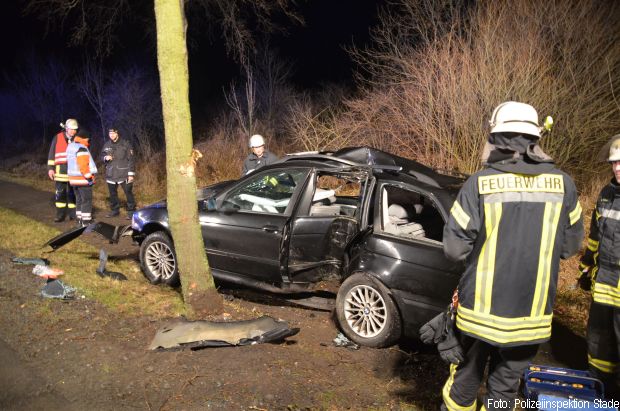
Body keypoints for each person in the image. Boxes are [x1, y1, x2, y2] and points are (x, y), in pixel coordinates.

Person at [440, 101, 584, 410]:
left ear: (495, 138)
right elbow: (570, 248)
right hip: (531, 318)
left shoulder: (478, 185)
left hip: (479, 315)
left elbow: (454, 250)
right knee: (504, 393)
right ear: (535, 139)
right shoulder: (565, 186)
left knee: (463, 387)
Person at [579, 134, 620, 398]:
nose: (617, 168)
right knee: (598, 347)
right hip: (603, 285)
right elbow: (595, 237)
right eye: (615, 163)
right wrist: (586, 268)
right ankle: (599, 395)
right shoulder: (606, 194)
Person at [47, 119, 79, 222]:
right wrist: (50, 169)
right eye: (72, 129)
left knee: (72, 194)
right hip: (60, 171)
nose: (73, 131)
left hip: (73, 171)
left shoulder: (77, 139)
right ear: (66, 128)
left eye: (75, 129)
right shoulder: (57, 137)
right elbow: (51, 154)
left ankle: (73, 214)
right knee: (60, 193)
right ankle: (60, 215)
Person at [102, 127, 136, 219]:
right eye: (110, 134)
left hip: (123, 174)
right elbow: (102, 156)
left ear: (117, 134)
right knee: (112, 194)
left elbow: (131, 159)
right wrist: (105, 158)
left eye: (113, 133)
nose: (111, 135)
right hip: (111, 174)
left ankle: (131, 211)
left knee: (128, 192)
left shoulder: (125, 144)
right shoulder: (106, 144)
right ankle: (114, 210)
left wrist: (131, 174)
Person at [67, 132, 97, 227]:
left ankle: (79, 219)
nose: (89, 140)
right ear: (85, 138)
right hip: (83, 179)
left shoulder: (71, 146)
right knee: (86, 200)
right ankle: (86, 222)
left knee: (79, 199)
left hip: (73, 180)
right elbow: (83, 166)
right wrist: (89, 177)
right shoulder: (82, 148)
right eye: (88, 139)